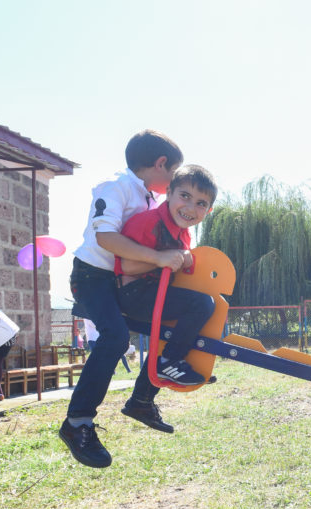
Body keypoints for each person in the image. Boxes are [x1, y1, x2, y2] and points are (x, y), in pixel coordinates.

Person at [60, 130, 187, 468]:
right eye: (174, 173)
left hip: (123, 279)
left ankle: (142, 400)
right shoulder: (115, 186)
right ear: (161, 164)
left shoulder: (147, 197)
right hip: (93, 277)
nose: (174, 180)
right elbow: (106, 238)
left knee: (167, 326)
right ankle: (77, 423)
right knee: (115, 338)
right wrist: (158, 258)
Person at [115, 165, 217, 432]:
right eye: (184, 196)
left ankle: (141, 400)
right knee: (201, 304)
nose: (190, 207)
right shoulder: (148, 222)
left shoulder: (182, 233)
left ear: (209, 211)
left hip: (153, 292)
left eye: (201, 203)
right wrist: (165, 260)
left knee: (185, 322)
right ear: (168, 193)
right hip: (134, 294)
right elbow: (126, 266)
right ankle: (169, 363)